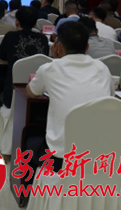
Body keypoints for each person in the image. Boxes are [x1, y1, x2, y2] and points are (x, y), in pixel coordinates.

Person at [27, 21, 114, 170]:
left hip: (60, 158)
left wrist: (55, 60)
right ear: (87, 47)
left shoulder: (49, 68)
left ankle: (33, 185)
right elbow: (110, 97)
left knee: (30, 142)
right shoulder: (102, 68)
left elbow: (31, 92)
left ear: (59, 46)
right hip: (98, 155)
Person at [0, 6, 49, 111]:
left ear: (16, 22)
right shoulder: (43, 39)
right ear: (35, 24)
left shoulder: (10, 36)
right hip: (40, 93)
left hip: (12, 93)